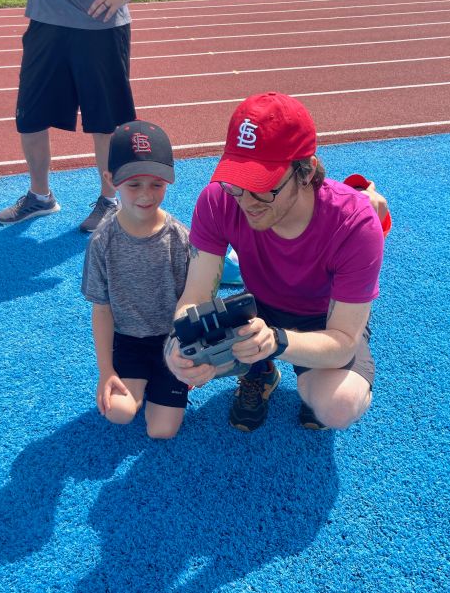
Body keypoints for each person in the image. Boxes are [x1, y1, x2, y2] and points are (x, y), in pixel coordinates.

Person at [165, 91, 389, 433]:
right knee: (180, 350)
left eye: (263, 186)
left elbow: (343, 341)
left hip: (325, 320)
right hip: (257, 310)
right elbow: (194, 297)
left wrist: (277, 342)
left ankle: (281, 365)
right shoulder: (219, 200)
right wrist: (177, 348)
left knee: (337, 406)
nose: (246, 201)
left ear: (305, 171)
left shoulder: (354, 224)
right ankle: (262, 370)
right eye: (237, 182)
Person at [0, 0, 181, 232]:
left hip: (100, 22)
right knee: (30, 117)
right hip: (45, 18)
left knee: (106, 123)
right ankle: (40, 196)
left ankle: (109, 201)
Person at [81, 120, 191, 439]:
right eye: (133, 184)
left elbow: (191, 301)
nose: (146, 195)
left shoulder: (180, 238)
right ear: (110, 179)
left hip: (172, 341)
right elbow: (101, 309)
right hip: (128, 342)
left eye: (156, 184)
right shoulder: (102, 242)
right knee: (119, 413)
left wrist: (190, 354)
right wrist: (106, 372)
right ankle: (140, 384)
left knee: (162, 431)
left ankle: (164, 383)